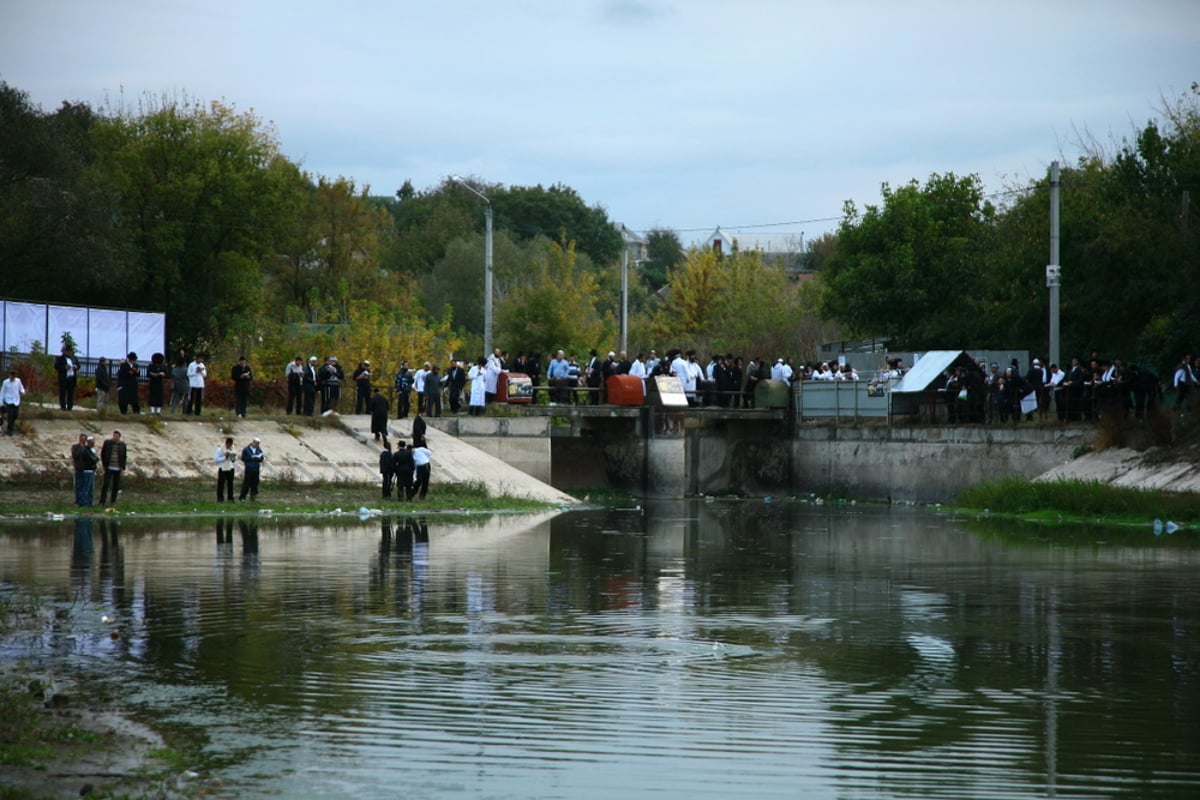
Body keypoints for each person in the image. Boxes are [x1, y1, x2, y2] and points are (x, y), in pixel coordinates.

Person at [98, 429, 127, 506]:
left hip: (118, 467)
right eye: (114, 435)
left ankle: (113, 501)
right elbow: (103, 453)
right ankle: (102, 501)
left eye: (117, 436)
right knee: (106, 484)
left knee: (116, 485)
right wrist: (105, 464)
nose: (115, 437)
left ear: (119, 437)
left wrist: (123, 466)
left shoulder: (122, 445)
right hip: (109, 467)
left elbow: (124, 456)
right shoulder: (108, 443)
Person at [1, 368, 27, 435]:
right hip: (8, 401)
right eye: (11, 376)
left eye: (13, 377)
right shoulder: (5, 382)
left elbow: (21, 388)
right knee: (10, 415)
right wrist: (1, 402)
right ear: (9, 376)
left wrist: (23, 392)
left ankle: (11, 426)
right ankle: (10, 429)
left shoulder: (18, 381)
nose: (12, 378)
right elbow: (2, 393)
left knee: (15, 415)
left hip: (16, 400)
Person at [239, 437, 265, 501]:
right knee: (246, 483)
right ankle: (242, 497)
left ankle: (253, 496)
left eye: (258, 444)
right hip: (249, 468)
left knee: (255, 483)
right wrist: (251, 458)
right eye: (256, 443)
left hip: (256, 468)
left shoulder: (259, 450)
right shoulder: (246, 449)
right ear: (253, 443)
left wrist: (259, 458)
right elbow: (243, 458)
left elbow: (261, 458)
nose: (257, 445)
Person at [55, 345, 80, 410]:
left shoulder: (74, 358)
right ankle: (63, 407)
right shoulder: (60, 358)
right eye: (68, 351)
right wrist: (64, 367)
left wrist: (76, 367)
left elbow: (78, 366)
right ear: (65, 351)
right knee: (62, 393)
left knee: (70, 393)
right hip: (64, 378)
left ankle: (70, 407)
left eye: (70, 352)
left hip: (71, 378)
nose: (69, 353)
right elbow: (56, 366)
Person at [214, 436, 237, 502]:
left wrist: (233, 457)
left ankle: (230, 498)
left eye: (230, 445)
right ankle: (220, 498)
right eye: (228, 444)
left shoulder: (233, 449)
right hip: (222, 468)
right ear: (226, 443)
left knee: (230, 484)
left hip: (231, 468)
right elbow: (216, 460)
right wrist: (225, 457)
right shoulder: (219, 449)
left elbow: (234, 459)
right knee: (221, 484)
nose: (229, 446)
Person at [78, 435, 99, 506]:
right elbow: (94, 459)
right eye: (91, 442)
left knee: (90, 488)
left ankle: (89, 502)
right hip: (87, 470)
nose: (93, 443)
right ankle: (85, 503)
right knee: (86, 488)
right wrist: (95, 459)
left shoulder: (90, 450)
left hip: (91, 470)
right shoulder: (86, 450)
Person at [71, 433, 88, 506]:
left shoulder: (87, 448)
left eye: (84, 439)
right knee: (78, 485)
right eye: (81, 439)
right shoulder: (75, 447)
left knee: (85, 486)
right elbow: (75, 455)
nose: (82, 440)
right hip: (78, 468)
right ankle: (78, 500)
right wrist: (81, 448)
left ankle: (83, 500)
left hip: (86, 469)